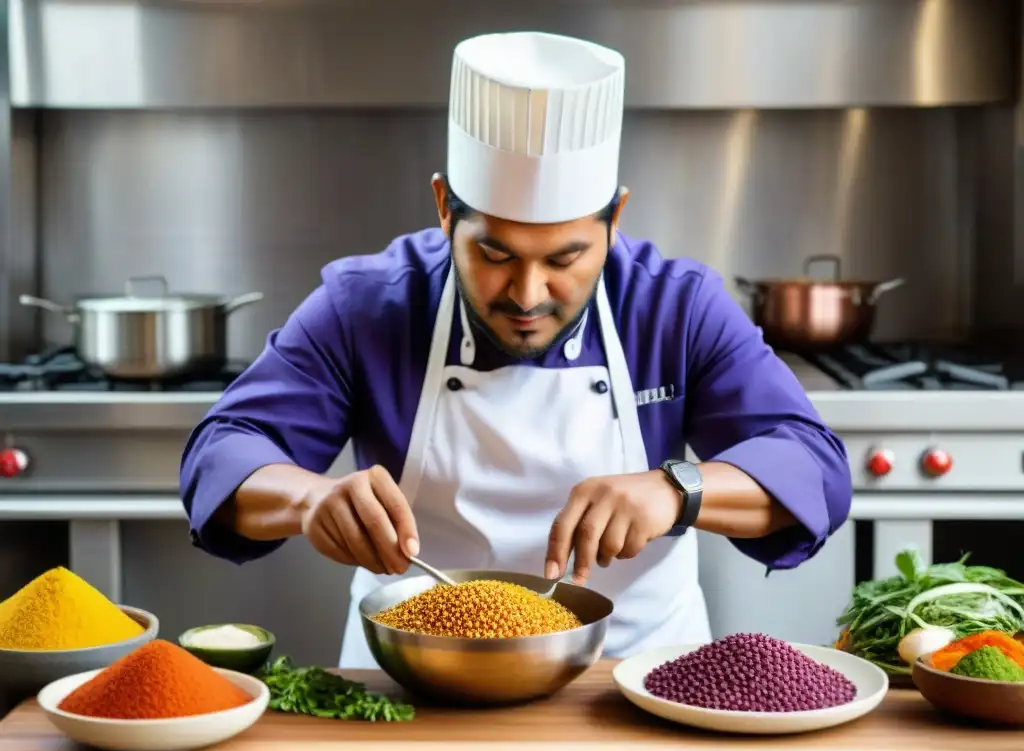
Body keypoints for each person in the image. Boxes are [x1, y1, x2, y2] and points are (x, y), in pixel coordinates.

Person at [180, 31, 852, 668]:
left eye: (567, 257)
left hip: (638, 680)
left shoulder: (675, 308)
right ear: (445, 209)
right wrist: (308, 501)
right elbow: (223, 453)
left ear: (615, 219)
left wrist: (680, 489)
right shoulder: (367, 306)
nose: (529, 294)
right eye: (495, 253)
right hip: (413, 681)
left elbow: (812, 468)